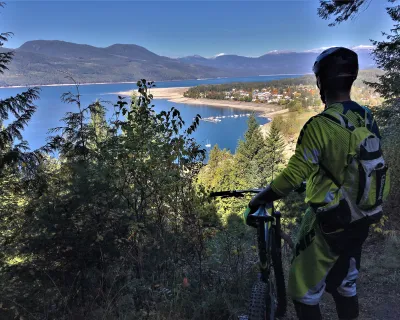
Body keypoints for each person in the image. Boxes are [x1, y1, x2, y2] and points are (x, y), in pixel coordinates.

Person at [244, 47, 390, 320]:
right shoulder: (366, 116)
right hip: (363, 217)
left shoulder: (320, 125)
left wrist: (261, 198)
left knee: (303, 292)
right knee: (346, 284)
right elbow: (349, 167)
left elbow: (292, 176)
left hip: (331, 223)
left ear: (321, 82)